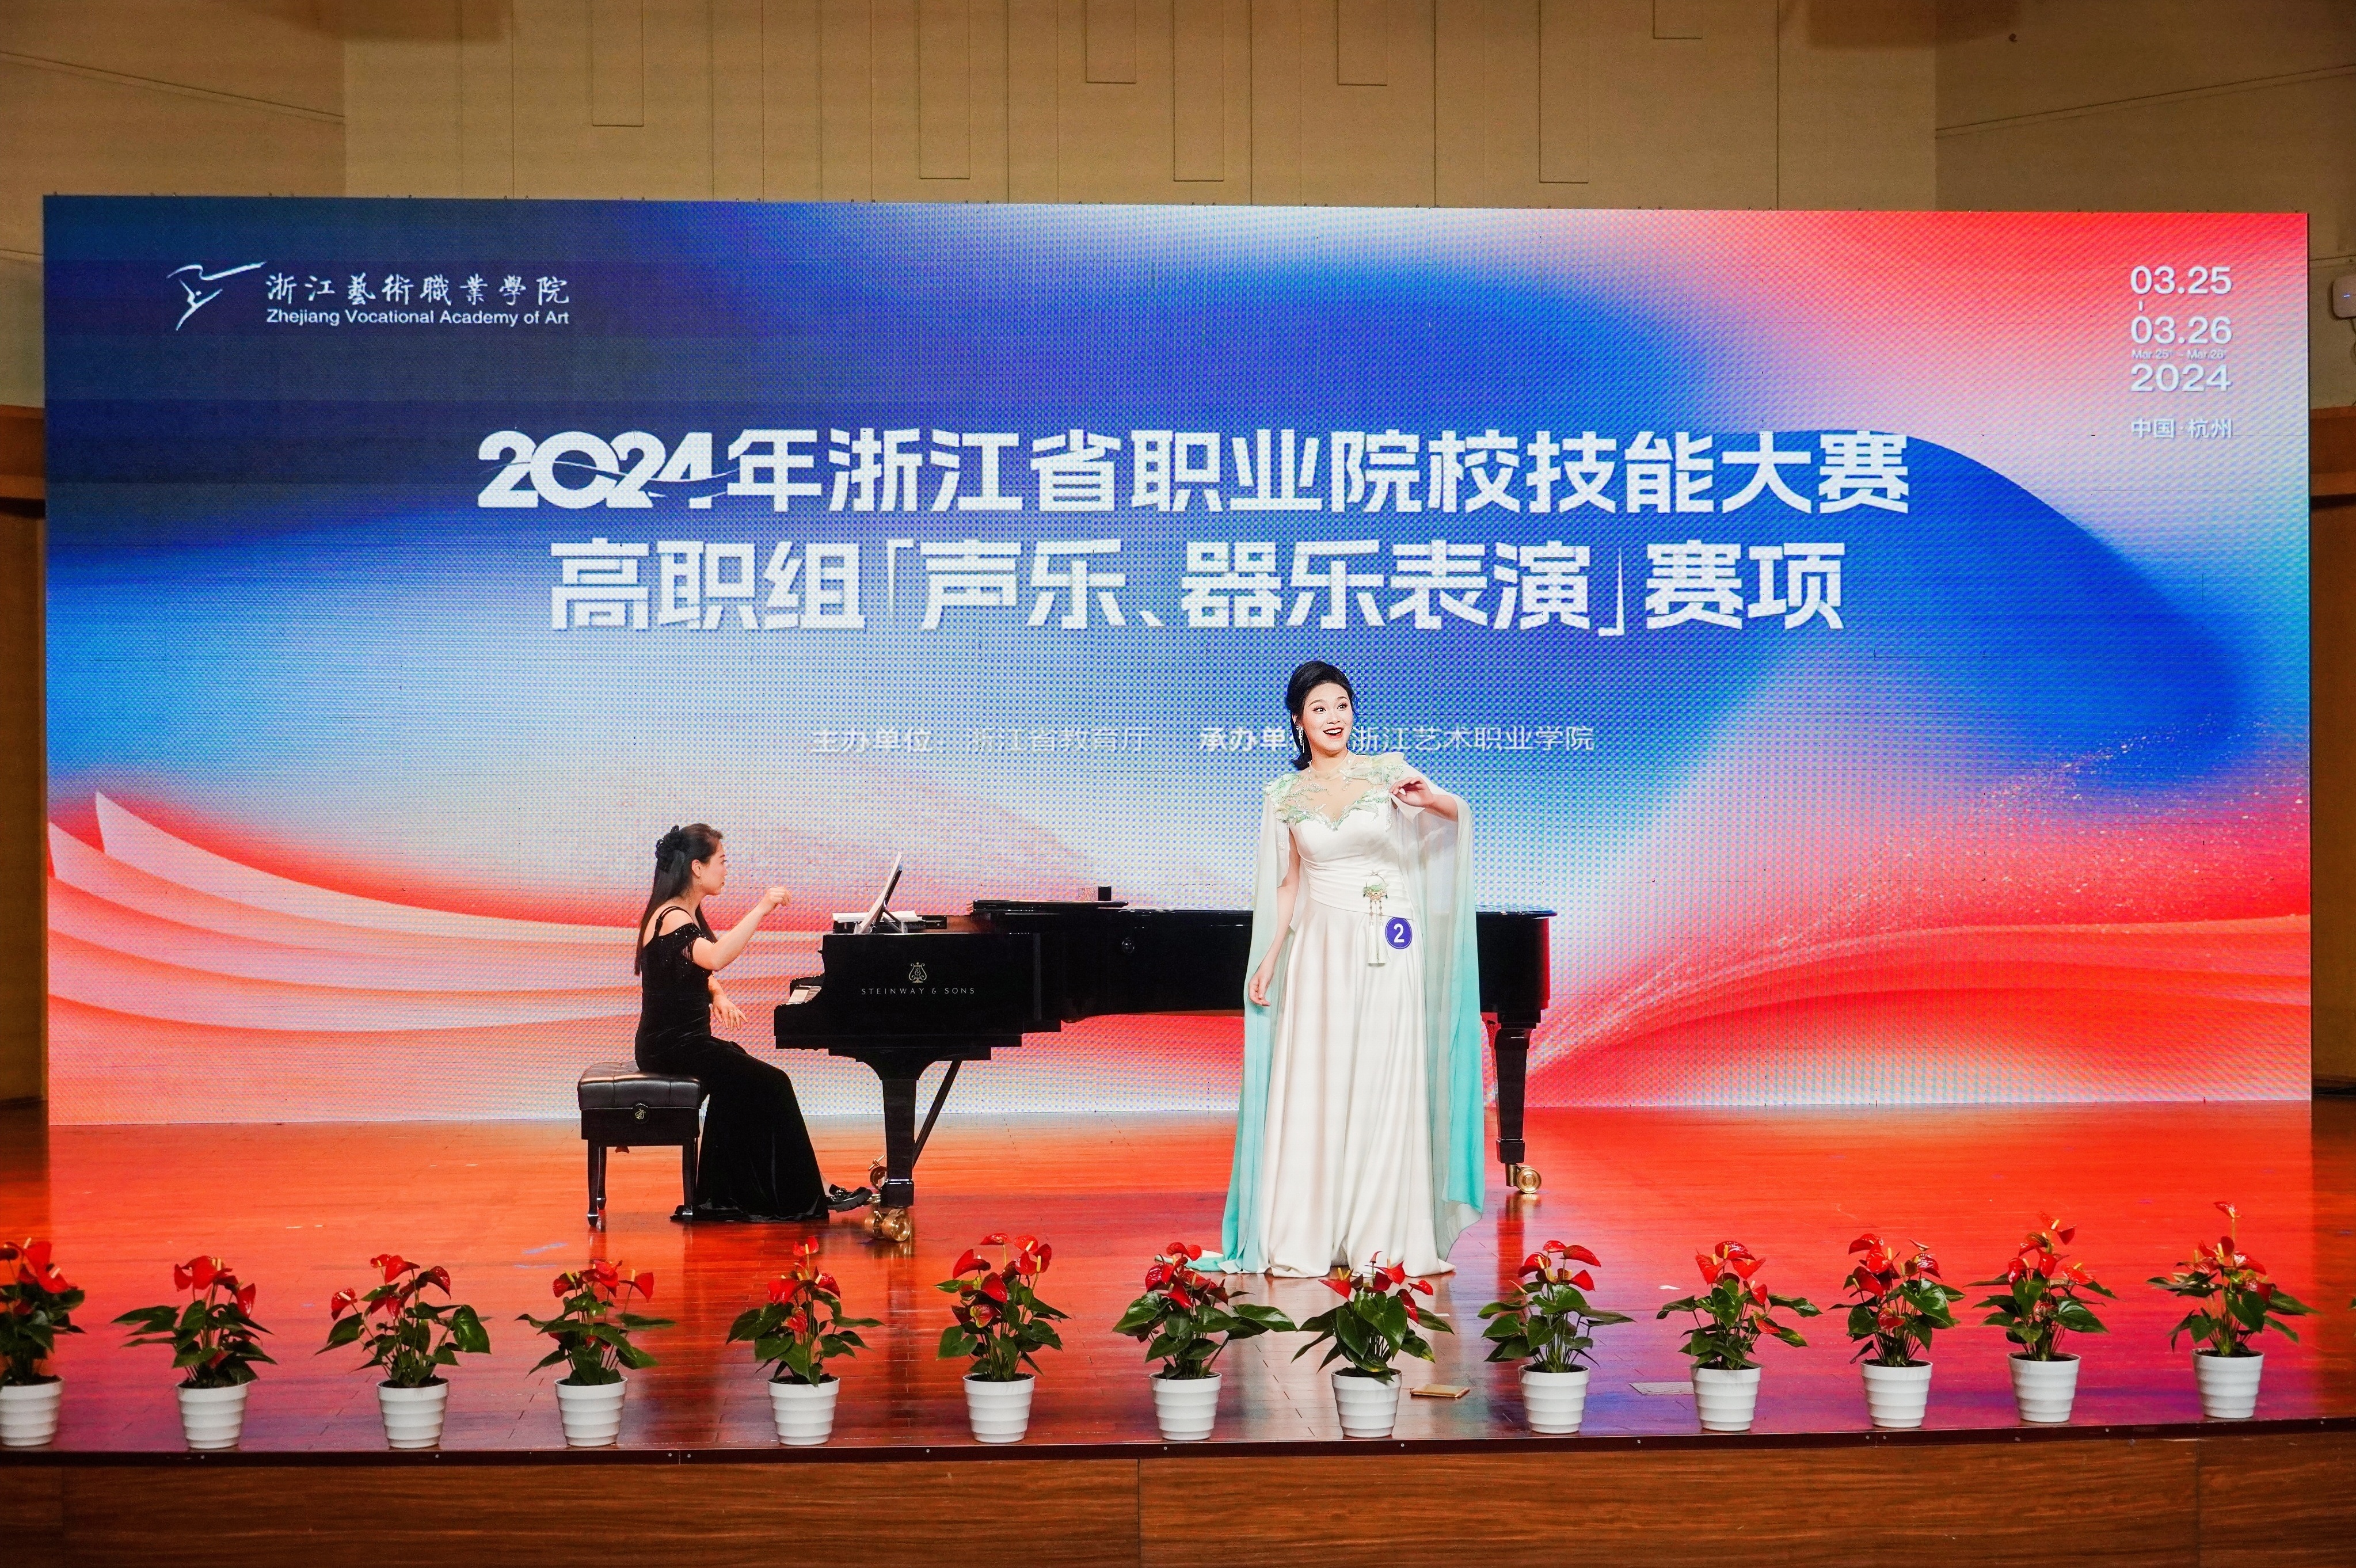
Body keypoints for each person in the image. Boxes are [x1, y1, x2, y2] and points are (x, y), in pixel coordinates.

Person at [1212, 661, 1487, 1278]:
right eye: (1319, 708)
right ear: (1297, 721)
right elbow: (1288, 884)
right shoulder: (1283, 795)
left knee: (1384, 1077)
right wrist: (1270, 956)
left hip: (1391, 938)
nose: (1334, 717)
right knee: (1321, 1079)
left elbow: (1451, 817)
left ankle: (1380, 1235)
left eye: (1342, 704)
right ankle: (1312, 1230)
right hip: (1320, 949)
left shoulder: (1386, 770)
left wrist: (1433, 800)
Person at [634, 823, 871, 1221]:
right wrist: (762, 908)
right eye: (722, 861)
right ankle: (804, 1192)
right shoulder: (672, 915)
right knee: (773, 1082)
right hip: (671, 1047)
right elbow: (715, 957)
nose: (726, 870)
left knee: (744, 1081)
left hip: (684, 1042)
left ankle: (736, 1193)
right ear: (697, 867)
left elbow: (691, 970)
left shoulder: (680, 913)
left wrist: (718, 994)